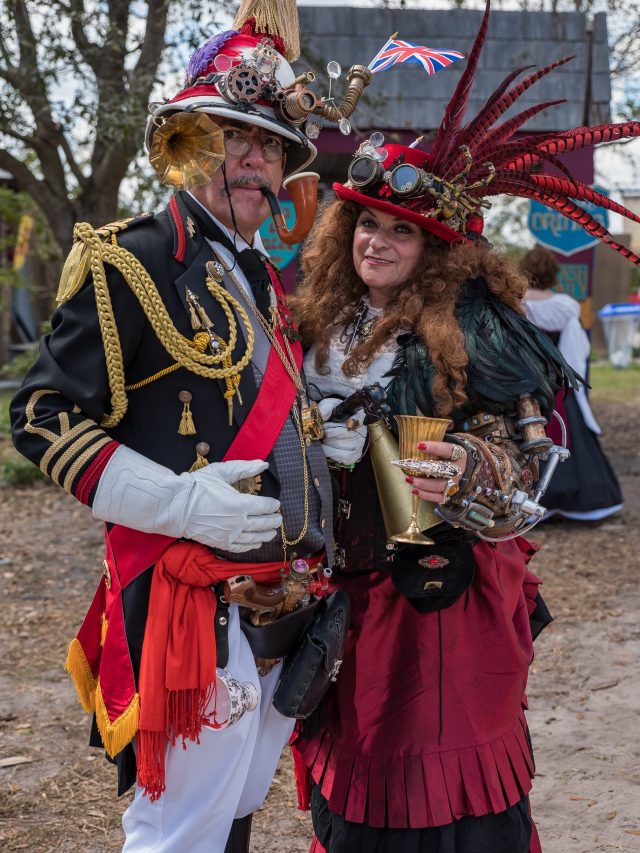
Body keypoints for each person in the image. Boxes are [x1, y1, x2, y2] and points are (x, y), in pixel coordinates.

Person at [8, 2, 371, 851]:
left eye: (273, 146)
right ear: (190, 145)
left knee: (232, 813)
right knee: (179, 832)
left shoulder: (260, 279)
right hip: (192, 598)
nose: (258, 160)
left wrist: (318, 442)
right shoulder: (134, 259)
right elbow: (41, 415)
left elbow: (252, 403)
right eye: (237, 136)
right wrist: (175, 502)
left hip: (277, 597)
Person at [289, 4, 640, 851]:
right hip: (342, 591)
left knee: (438, 787)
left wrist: (471, 472)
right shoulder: (316, 323)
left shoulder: (469, 330)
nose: (377, 240)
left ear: (435, 248)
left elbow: (531, 463)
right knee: (356, 775)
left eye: (400, 230)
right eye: (367, 222)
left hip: (437, 597)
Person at [521, 245, 623, 520]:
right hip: (559, 387)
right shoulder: (565, 306)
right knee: (567, 436)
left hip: (521, 385)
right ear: (553, 275)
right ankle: (572, 499)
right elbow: (575, 353)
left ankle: (524, 501)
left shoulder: (515, 304)